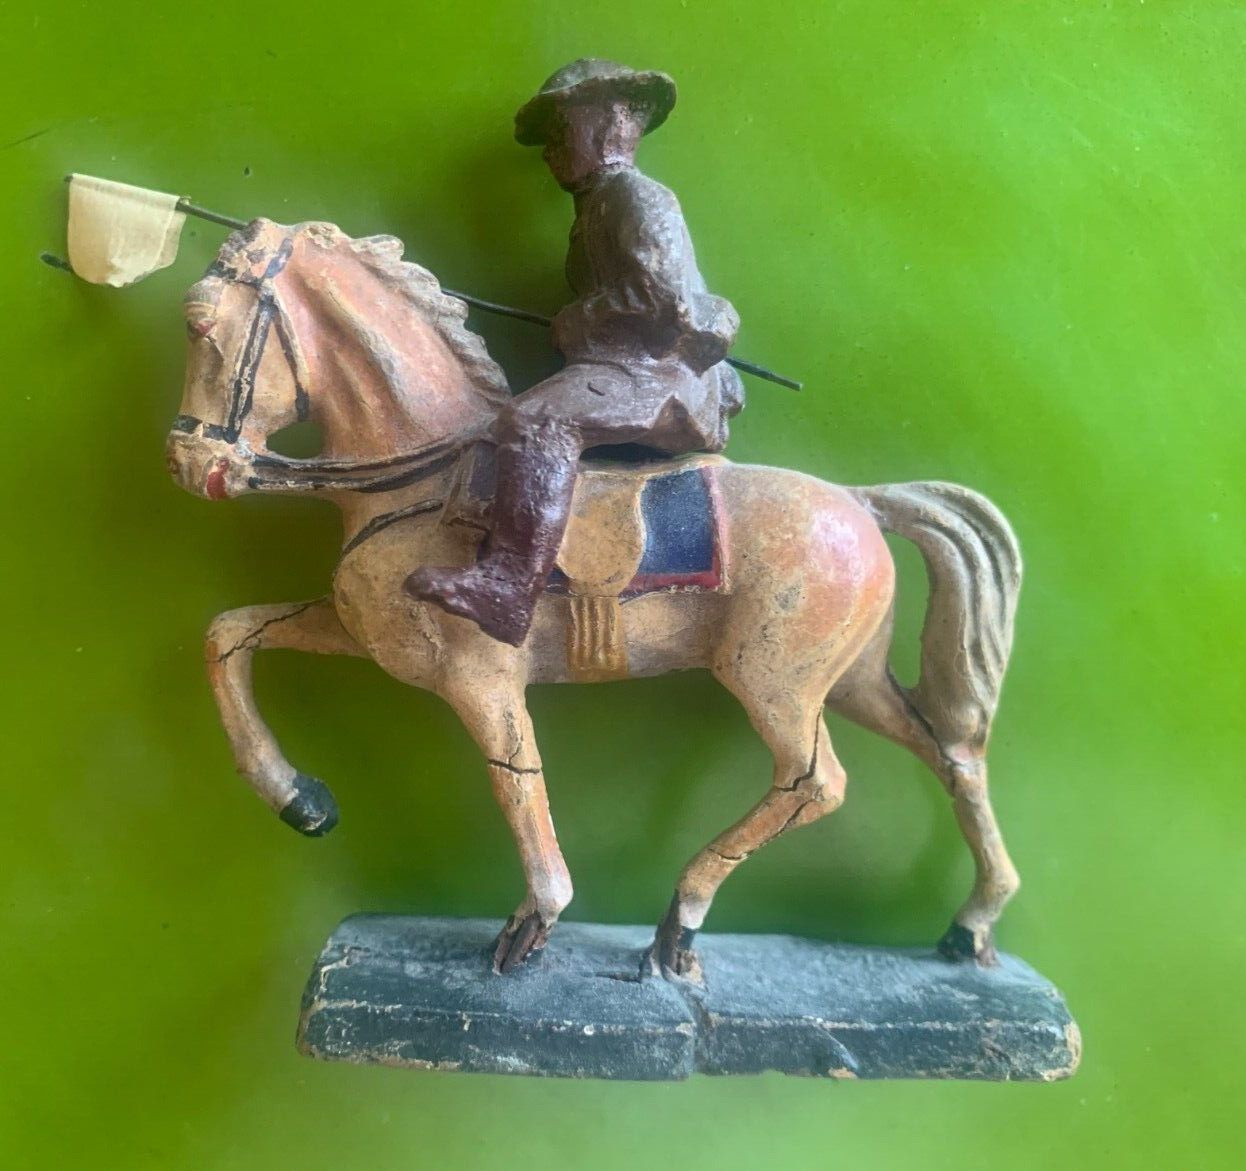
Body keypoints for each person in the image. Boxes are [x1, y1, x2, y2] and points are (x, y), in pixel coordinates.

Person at [404, 58, 745, 645]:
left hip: (658, 378)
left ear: (608, 126)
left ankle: (508, 588)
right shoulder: (598, 207)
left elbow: (661, 299)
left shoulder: (636, 196)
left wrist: (575, 320)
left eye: (561, 132)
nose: (550, 152)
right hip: (626, 368)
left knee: (536, 419)